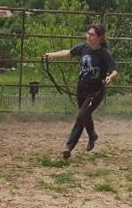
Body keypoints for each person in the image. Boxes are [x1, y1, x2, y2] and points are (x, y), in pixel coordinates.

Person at [42, 24, 118, 159]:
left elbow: (114, 69)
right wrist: (51, 55)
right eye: (88, 33)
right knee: (85, 115)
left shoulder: (104, 53)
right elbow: (68, 53)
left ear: (100, 37)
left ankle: (69, 147)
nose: (88, 36)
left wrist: (110, 77)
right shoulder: (83, 47)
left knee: (81, 116)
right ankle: (92, 135)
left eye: (92, 34)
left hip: (95, 92)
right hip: (81, 89)